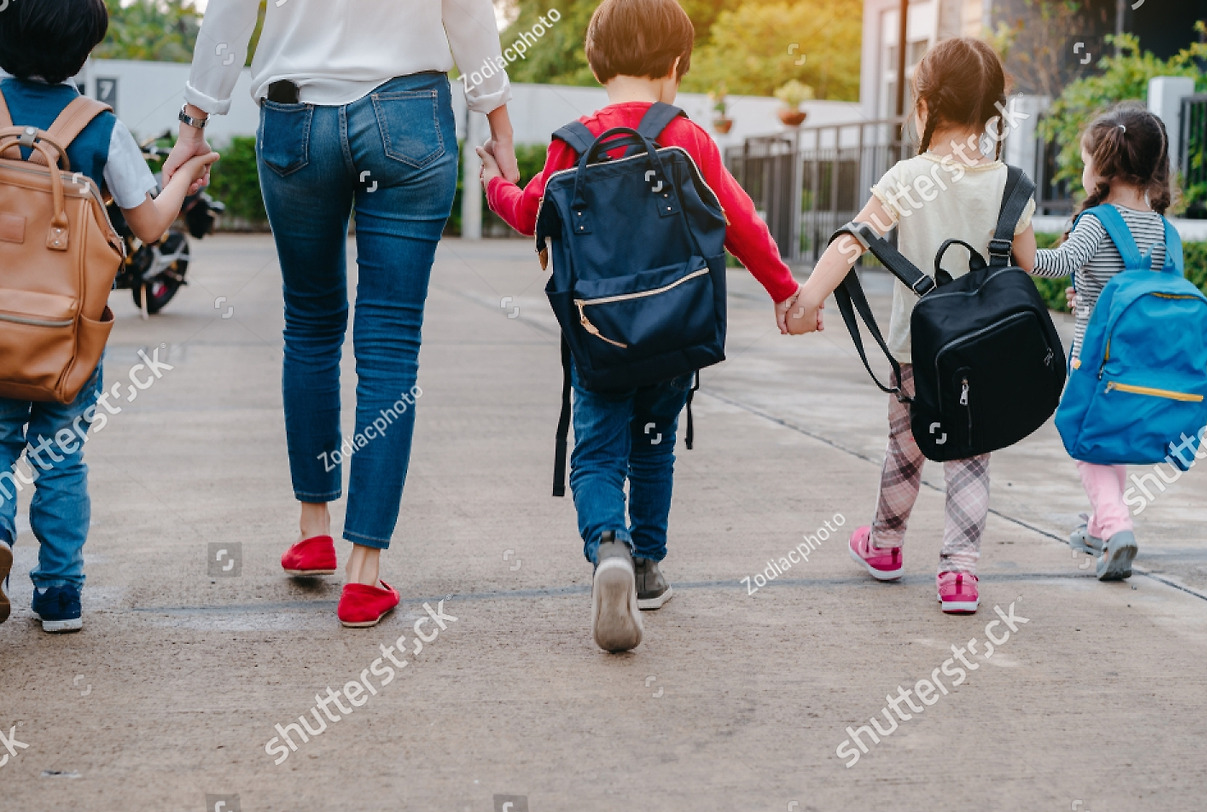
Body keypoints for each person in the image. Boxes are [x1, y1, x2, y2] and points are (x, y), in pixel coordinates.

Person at [166, 0, 518, 628]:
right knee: (390, 343)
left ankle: (313, 530)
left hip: (296, 116)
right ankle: (364, 575)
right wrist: (499, 123)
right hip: (409, 116)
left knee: (309, 324)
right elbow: (467, 12)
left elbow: (229, 14)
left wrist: (194, 122)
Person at [478, 0, 799, 651]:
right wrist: (785, 290)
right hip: (675, 333)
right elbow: (740, 221)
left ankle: (610, 548)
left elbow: (531, 213)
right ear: (676, 64)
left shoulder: (573, 142)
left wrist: (493, 184)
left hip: (600, 337)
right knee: (654, 444)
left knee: (598, 453)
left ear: (597, 62)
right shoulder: (688, 138)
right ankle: (648, 567)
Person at [789, 37, 1037, 615]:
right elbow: (1026, 268)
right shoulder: (1010, 184)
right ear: (994, 113)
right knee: (971, 454)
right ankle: (960, 574)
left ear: (924, 106)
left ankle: (884, 546)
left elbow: (852, 241)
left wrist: (807, 301)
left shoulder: (907, 176)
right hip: (984, 355)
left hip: (916, 352)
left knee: (906, 450)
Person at [0, 0, 218, 633]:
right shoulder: (99, 127)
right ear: (84, 52)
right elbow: (147, 226)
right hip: (67, 335)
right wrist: (185, 174)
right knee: (61, 458)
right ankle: (59, 594)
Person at [1029, 104, 1175, 581]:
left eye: (1085, 161)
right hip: (1139, 360)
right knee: (1109, 439)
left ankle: (1116, 526)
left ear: (1102, 167)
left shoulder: (1096, 221)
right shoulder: (1161, 227)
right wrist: (1089, 293)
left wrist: (1017, 243)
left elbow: (1055, 265)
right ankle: (1097, 528)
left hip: (1093, 360)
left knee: (1084, 441)